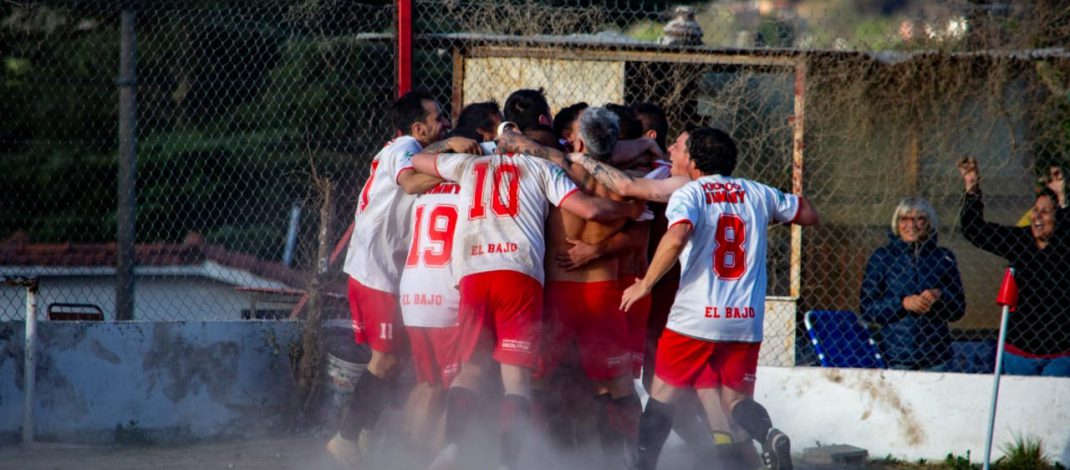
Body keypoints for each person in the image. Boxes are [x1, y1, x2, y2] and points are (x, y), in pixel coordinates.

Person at [411, 129, 642, 470]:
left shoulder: (469, 166)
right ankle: (508, 462)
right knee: (516, 379)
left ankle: (452, 449)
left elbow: (416, 160)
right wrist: (633, 208)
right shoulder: (541, 169)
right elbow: (589, 209)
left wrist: (450, 144)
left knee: (470, 368)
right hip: (518, 275)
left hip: (472, 273)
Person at [619, 127, 819, 470]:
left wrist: (646, 284)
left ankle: (642, 464)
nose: (674, 153)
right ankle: (769, 435)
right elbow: (808, 214)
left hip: (695, 319)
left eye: (682, 150)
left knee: (662, 396)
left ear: (694, 162)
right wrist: (770, 214)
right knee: (736, 401)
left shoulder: (690, 193)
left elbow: (678, 235)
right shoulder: (758, 193)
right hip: (744, 321)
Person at [535, 107, 641, 465]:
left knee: (537, 380)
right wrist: (598, 249)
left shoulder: (556, 171)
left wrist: (591, 249)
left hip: (560, 292)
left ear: (578, 140)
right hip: (601, 290)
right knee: (616, 383)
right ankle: (629, 458)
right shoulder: (625, 181)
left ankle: (534, 454)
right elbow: (636, 239)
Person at [958, 156, 1070, 377]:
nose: (1037, 216)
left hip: (1061, 353)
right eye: (1035, 210)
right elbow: (974, 229)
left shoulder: (1064, 245)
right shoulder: (1021, 240)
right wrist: (972, 184)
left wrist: (1062, 196)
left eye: (1046, 211)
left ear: (1058, 218)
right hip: (1019, 349)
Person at [860, 197, 966, 371]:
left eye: (919, 218)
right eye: (905, 219)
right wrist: (902, 303)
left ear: (929, 223)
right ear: (897, 223)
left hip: (936, 357)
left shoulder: (944, 257)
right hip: (895, 357)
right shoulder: (882, 258)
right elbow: (868, 308)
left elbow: (958, 309)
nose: (912, 224)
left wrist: (939, 296)